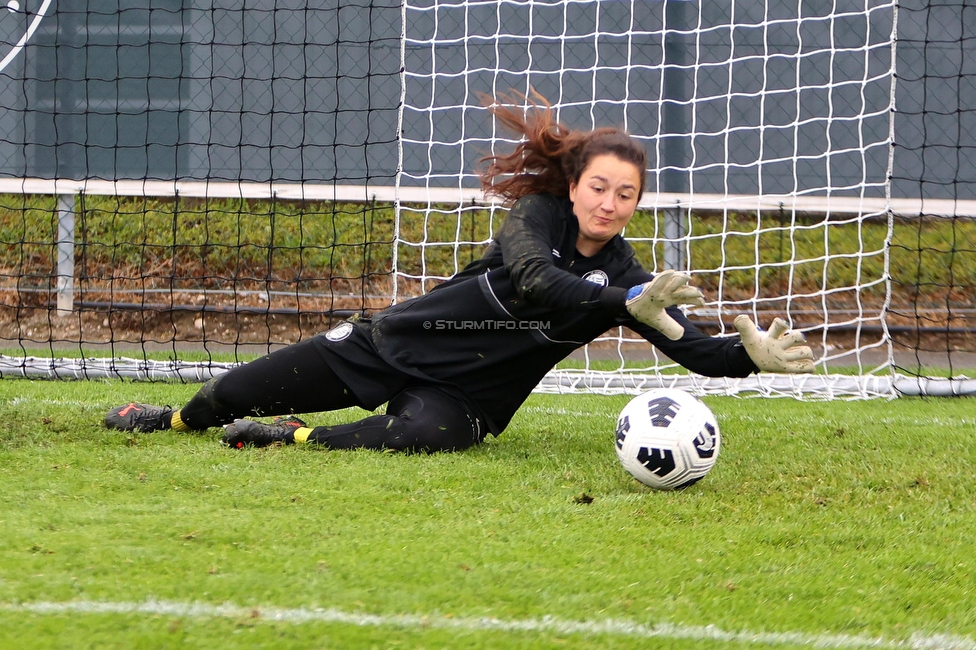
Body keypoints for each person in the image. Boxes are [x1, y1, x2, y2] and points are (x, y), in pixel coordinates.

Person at [105, 91, 815, 452]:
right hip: (388, 346)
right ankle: (164, 420)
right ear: (574, 186)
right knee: (224, 395)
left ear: (636, 203)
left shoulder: (633, 281)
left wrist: (745, 356)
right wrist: (623, 302)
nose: (609, 202)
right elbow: (538, 282)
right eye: (599, 186)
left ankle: (289, 435)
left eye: (625, 194)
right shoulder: (534, 218)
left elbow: (690, 347)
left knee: (418, 439)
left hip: (466, 402)